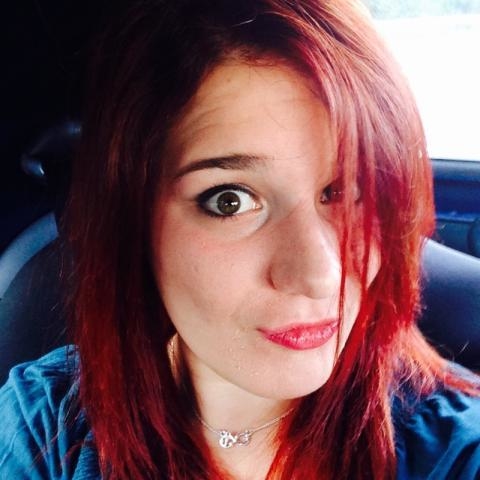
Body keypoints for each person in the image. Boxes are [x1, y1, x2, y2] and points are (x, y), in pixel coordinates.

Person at [1, 0, 480, 478]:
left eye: (348, 189)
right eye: (229, 201)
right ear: (132, 221)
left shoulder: (453, 451)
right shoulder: (44, 428)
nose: (320, 276)